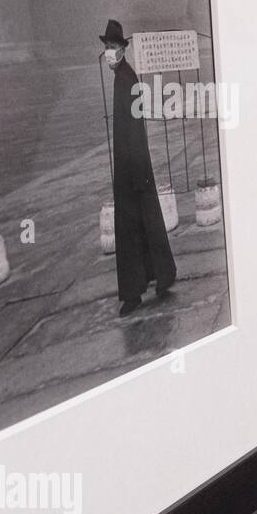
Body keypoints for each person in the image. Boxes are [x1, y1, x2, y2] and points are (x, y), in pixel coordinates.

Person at [101, 19, 176, 317]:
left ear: (122, 49)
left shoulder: (126, 79)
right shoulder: (124, 76)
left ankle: (132, 294)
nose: (109, 52)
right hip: (134, 166)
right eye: (107, 47)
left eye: (113, 47)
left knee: (131, 231)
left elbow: (134, 128)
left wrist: (134, 171)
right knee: (148, 224)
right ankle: (162, 276)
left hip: (132, 168)